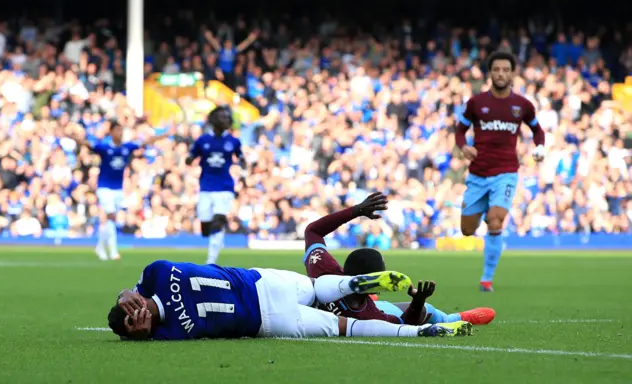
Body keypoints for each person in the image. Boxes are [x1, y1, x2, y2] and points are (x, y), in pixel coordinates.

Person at [107, 260, 473, 340]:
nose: (136, 318)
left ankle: (417, 330)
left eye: (130, 314)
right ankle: (355, 285)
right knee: (326, 300)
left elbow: (135, 293)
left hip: (264, 301)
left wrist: (133, 318)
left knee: (338, 319)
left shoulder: (167, 327)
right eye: (133, 324)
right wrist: (130, 297)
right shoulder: (155, 276)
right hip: (264, 298)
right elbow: (137, 287)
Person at [303, 192, 495, 326]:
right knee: (427, 311)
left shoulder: (324, 269)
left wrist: (356, 210)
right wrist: (419, 301)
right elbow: (404, 324)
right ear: (372, 280)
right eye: (383, 274)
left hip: (360, 300)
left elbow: (312, 230)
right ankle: (456, 318)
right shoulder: (370, 316)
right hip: (363, 307)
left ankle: (463, 316)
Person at [455, 51, 546, 292]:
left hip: (506, 172)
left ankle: (486, 279)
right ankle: (485, 209)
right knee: (467, 230)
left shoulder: (522, 105)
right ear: (490, 73)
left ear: (512, 72)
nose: (501, 74)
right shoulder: (476, 103)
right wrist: (464, 147)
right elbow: (459, 131)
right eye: (496, 69)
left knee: (496, 220)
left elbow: (538, 131)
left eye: (506, 69)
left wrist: (539, 147)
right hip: (477, 174)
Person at [71, 122, 168, 260]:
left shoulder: (126, 148)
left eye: (121, 130)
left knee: (111, 220)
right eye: (117, 130)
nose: (120, 133)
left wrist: (164, 135)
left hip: (118, 189)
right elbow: (87, 144)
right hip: (104, 187)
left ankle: (100, 246)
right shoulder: (104, 148)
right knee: (111, 216)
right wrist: (73, 137)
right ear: (111, 132)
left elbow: (145, 142)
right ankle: (113, 251)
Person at [186, 106, 246, 264]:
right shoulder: (202, 140)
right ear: (213, 121)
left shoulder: (233, 141)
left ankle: (211, 260)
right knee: (206, 226)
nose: (226, 120)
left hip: (225, 187)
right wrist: (189, 159)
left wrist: (244, 174)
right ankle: (217, 238)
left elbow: (241, 158)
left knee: (218, 220)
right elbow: (192, 155)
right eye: (222, 117)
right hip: (206, 187)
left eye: (227, 118)